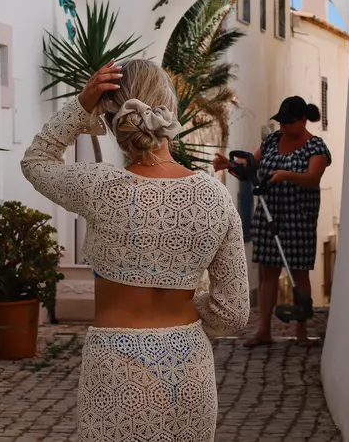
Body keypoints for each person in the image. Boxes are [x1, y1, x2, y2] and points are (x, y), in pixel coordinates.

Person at [22, 59, 249, 442]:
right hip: (188, 367)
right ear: (171, 112)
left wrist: (81, 105)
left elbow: (37, 161)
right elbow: (233, 315)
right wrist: (184, 301)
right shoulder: (215, 197)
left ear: (111, 120)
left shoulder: (101, 186)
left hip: (116, 366)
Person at [213, 95, 330, 347]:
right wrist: (229, 165)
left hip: (299, 219)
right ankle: (263, 330)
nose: (283, 126)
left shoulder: (316, 147)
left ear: (302, 120)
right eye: (281, 121)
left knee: (299, 273)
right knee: (268, 273)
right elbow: (250, 167)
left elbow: (312, 178)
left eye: (288, 122)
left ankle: (301, 331)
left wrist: (286, 175)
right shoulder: (272, 140)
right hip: (268, 215)